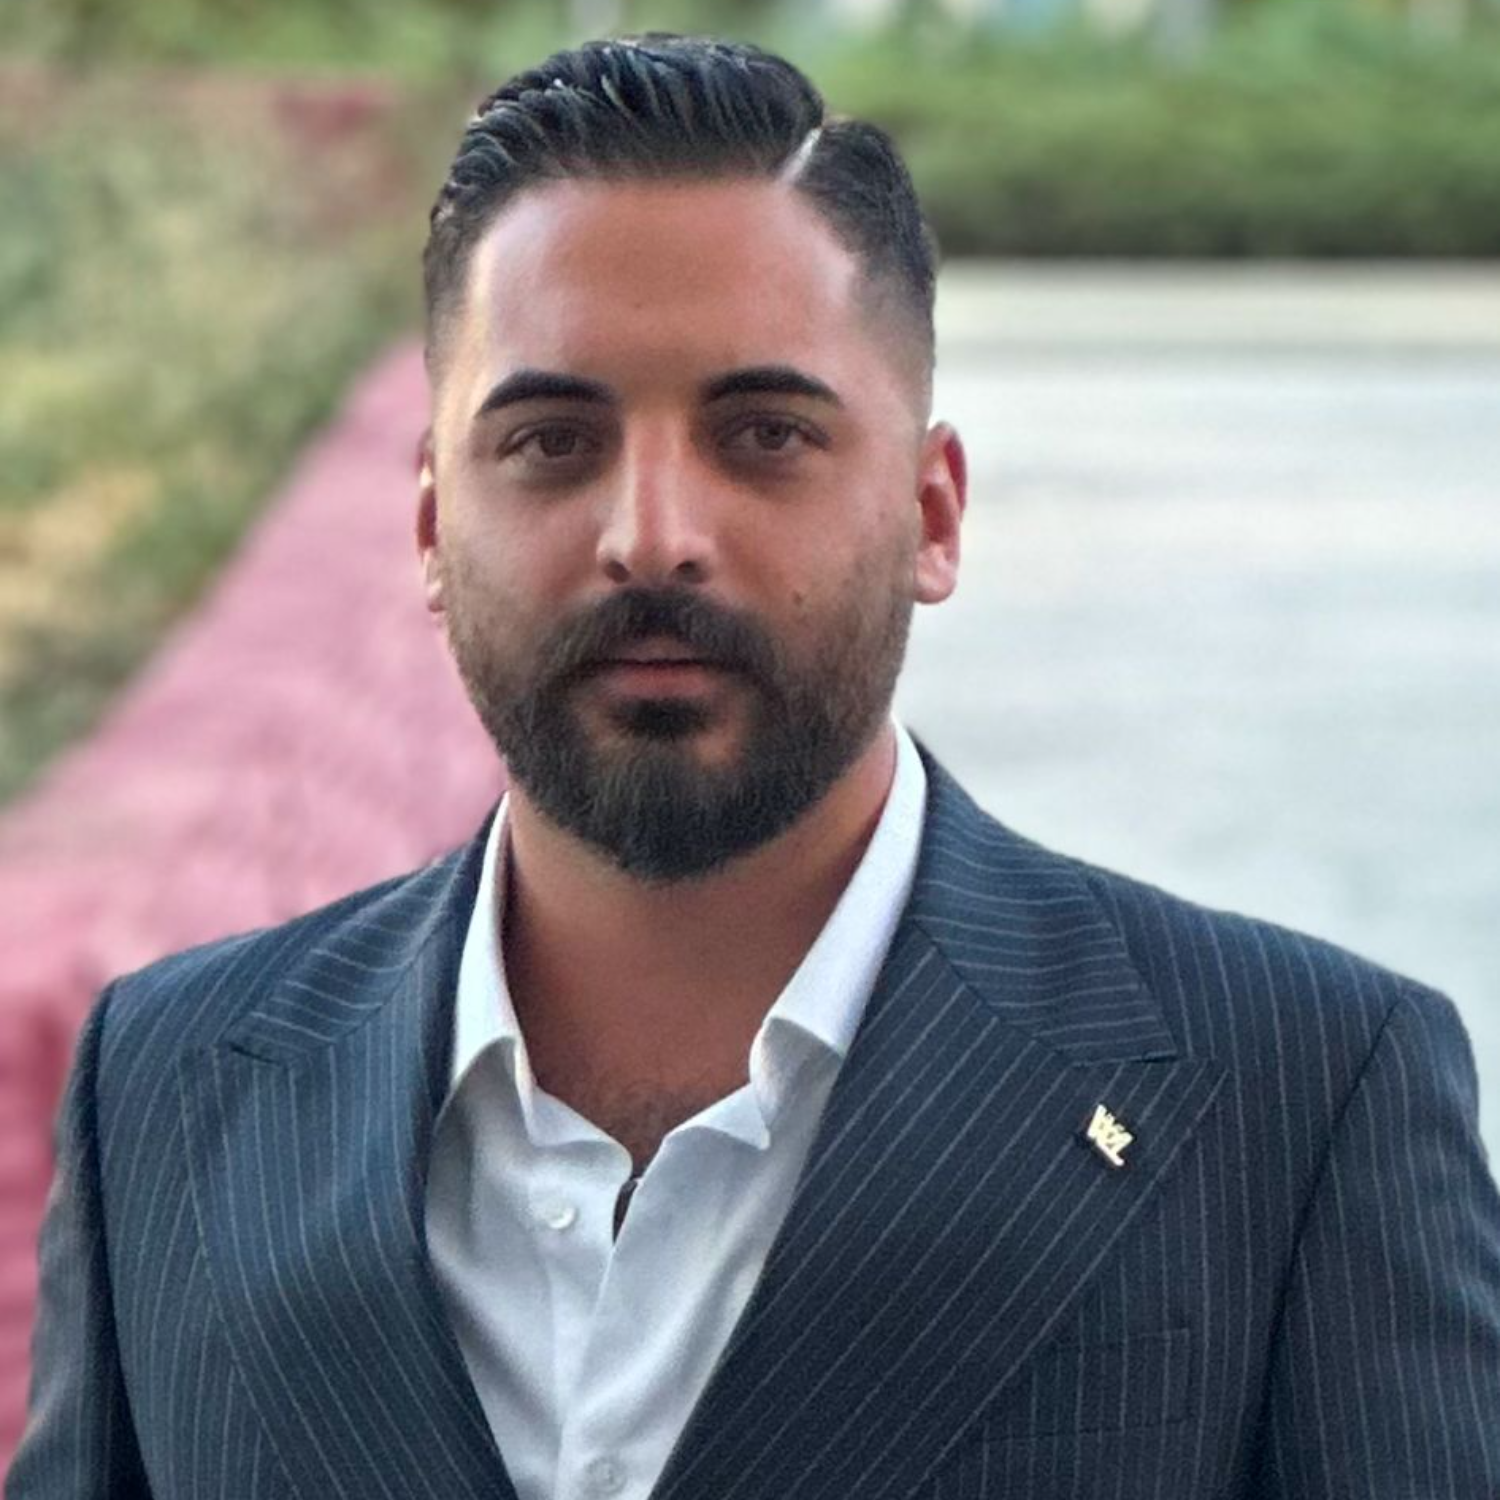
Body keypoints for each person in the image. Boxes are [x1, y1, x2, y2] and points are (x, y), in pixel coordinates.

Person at [9, 33, 1499, 1500]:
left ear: (931, 516)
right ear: (428, 529)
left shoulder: (1298, 1102)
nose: (652, 535)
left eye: (765, 434)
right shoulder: (168, 1089)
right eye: (552, 441)